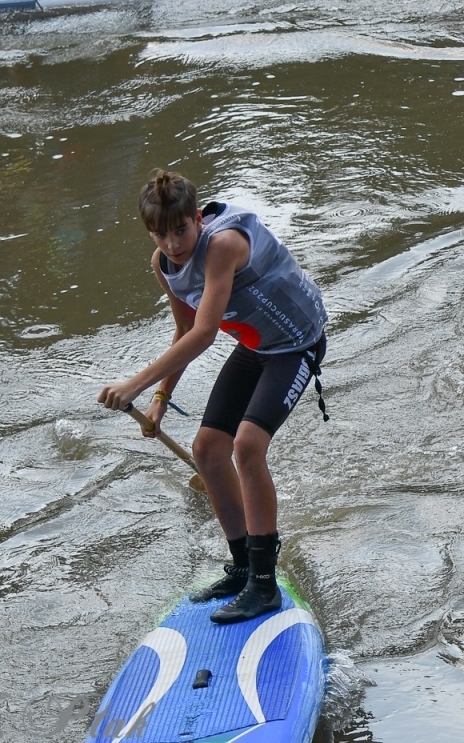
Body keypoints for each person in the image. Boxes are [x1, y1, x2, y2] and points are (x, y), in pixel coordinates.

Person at [98, 172, 329, 624]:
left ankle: (264, 587)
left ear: (198, 219)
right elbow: (184, 329)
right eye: (159, 234)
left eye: (180, 230)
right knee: (207, 449)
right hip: (256, 345)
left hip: (296, 344)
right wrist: (161, 397)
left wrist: (135, 383)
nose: (171, 243)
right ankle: (243, 567)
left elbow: (205, 334)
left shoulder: (223, 245)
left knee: (246, 446)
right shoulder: (163, 264)